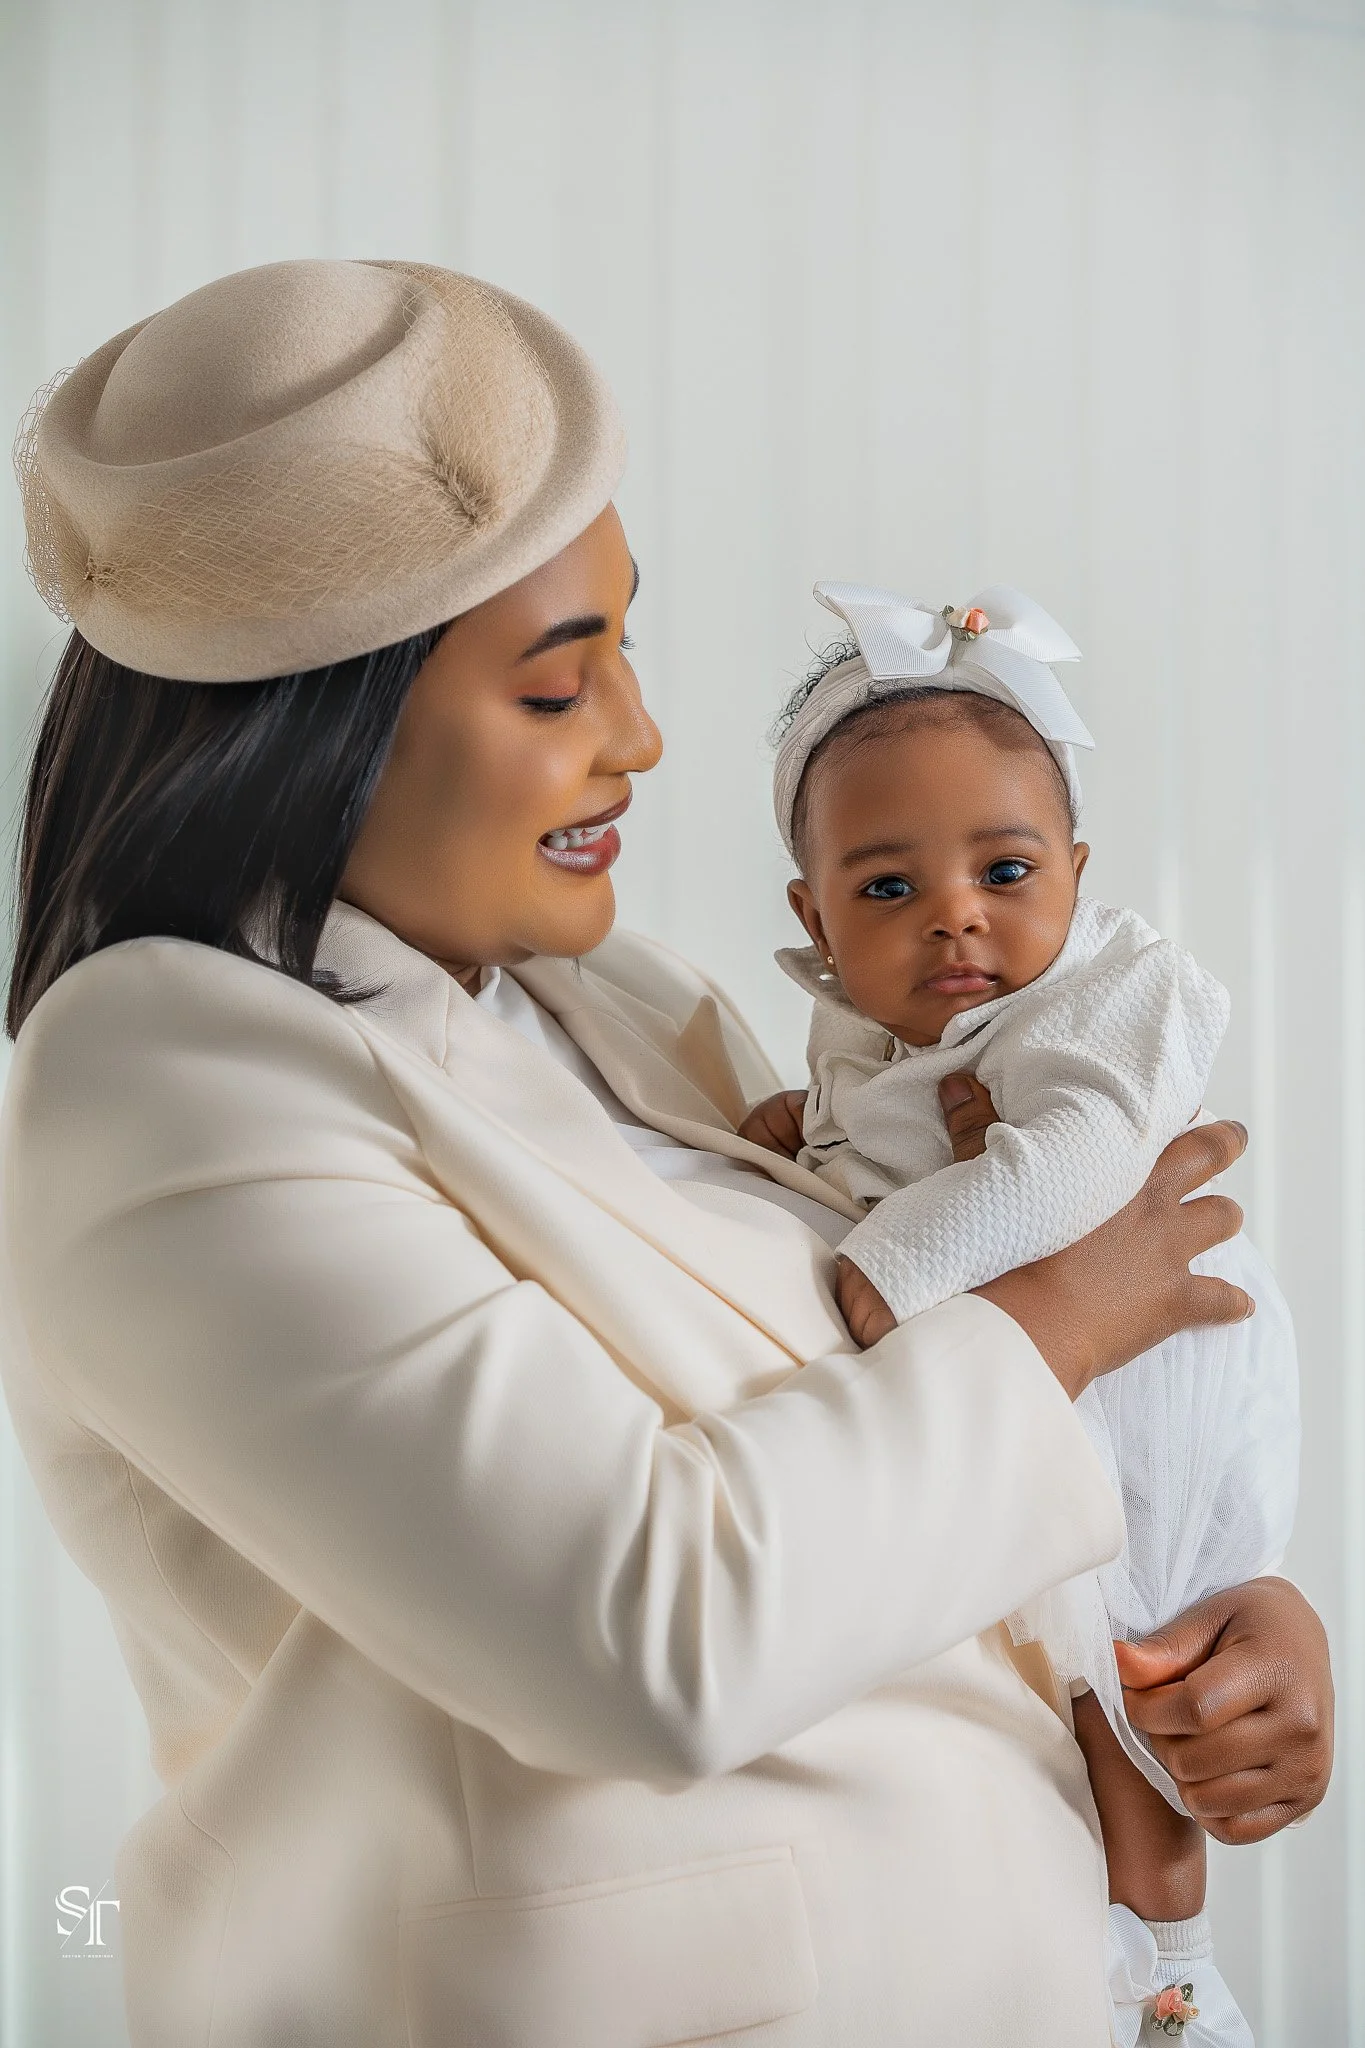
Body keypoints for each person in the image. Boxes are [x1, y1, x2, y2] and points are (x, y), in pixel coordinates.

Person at [0, 260, 1331, 2047]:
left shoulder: (600, 993)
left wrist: (1204, 1637)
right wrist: (1063, 1314)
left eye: (628, 640)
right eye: (561, 689)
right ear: (321, 729)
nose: (641, 734)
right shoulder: (154, 1084)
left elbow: (880, 1474)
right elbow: (650, 1624)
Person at [737, 581, 1302, 2043]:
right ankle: (1147, 1965)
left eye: (1004, 866)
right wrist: (801, 1135)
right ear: (812, 916)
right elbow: (882, 1135)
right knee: (1071, 1695)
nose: (956, 920)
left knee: (1137, 1674)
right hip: (1041, 1390)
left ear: (1077, 866)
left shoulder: (1111, 995)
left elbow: (1074, 1165)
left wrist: (893, 1271)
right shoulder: (879, 1032)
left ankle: (1166, 1973)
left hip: (1154, 1386)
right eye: (886, 890)